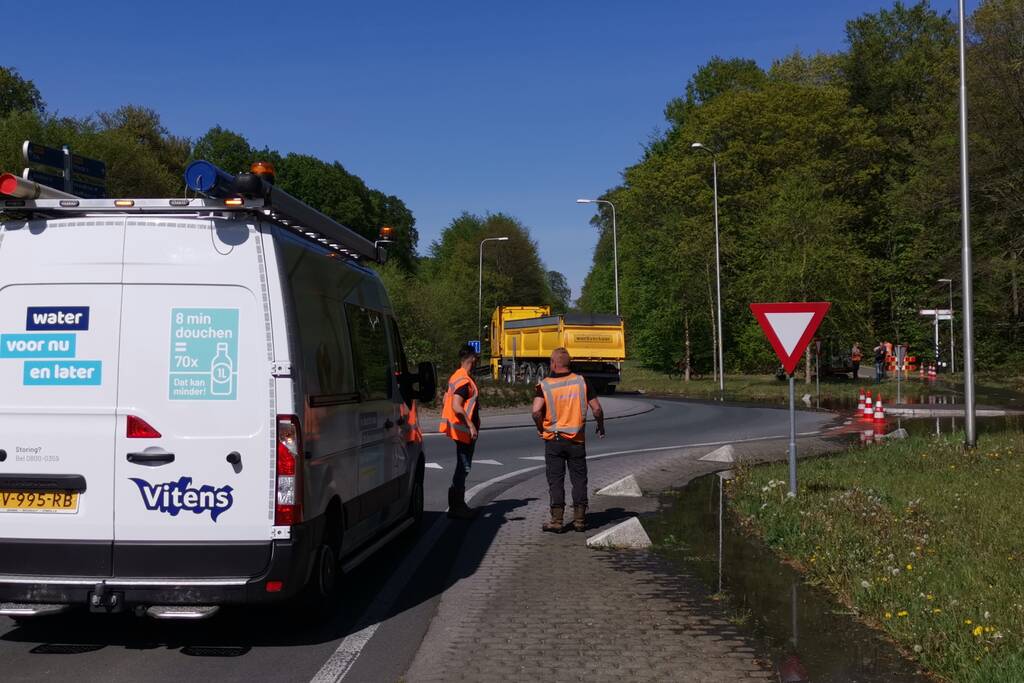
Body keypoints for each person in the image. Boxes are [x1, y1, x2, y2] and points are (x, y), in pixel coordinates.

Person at [531, 348, 605, 533]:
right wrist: (600, 425)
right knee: (579, 480)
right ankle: (580, 520)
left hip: (554, 440)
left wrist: (541, 428)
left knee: (556, 480)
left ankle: (557, 521)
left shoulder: (545, 385)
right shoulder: (581, 382)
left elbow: (536, 411)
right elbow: (597, 409)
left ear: (554, 364)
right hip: (576, 441)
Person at [439, 344, 481, 520]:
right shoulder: (464, 380)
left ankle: (457, 505)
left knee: (461, 466)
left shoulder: (456, 376)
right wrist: (470, 424)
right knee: (463, 467)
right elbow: (456, 405)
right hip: (463, 431)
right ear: (472, 359)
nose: (477, 361)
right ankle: (457, 507)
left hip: (458, 428)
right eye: (476, 359)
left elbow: (445, 399)